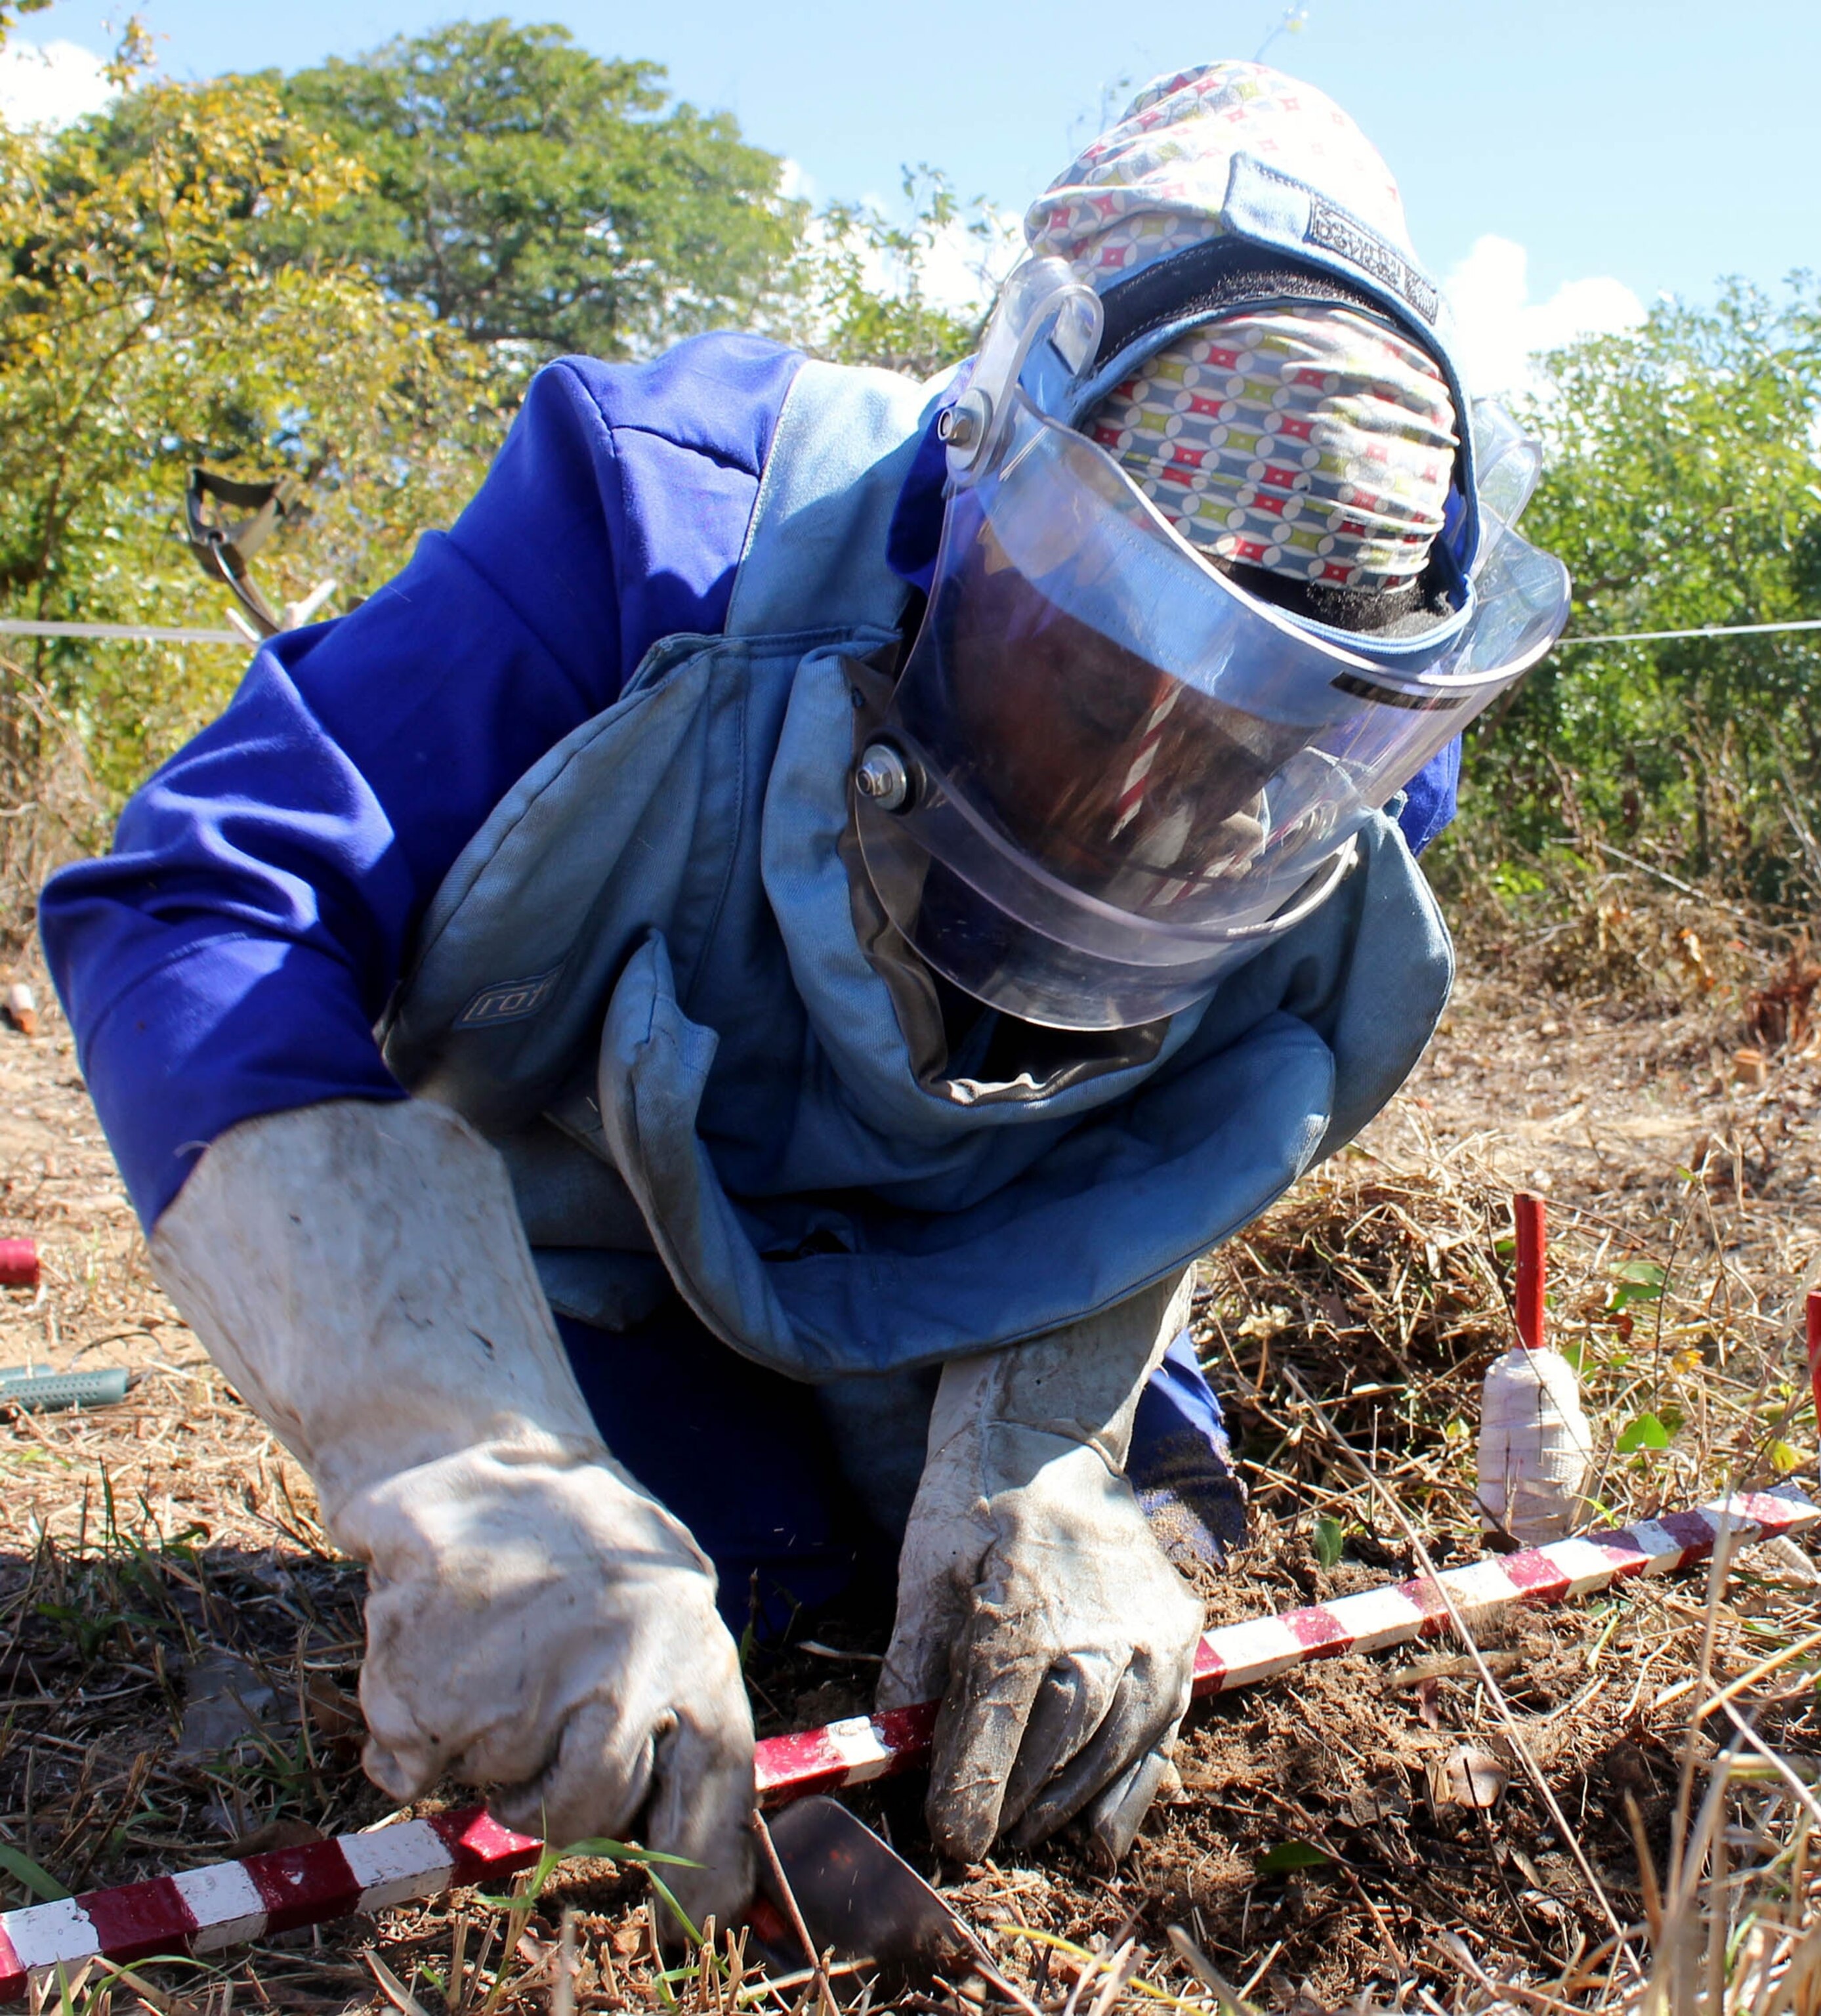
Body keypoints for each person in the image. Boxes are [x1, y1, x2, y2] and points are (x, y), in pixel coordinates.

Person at [39, 61, 1568, 1933]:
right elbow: (201, 898)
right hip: (601, 1234)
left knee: (1088, 1591)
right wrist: (471, 1461)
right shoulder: (665, 524)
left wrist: (1090, 1474)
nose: (1137, 797)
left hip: (1016, 1258)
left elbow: (1208, 1111)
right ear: (993, 487)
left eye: (1236, 755)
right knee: (688, 1615)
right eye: (1100, 688)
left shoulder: (1367, 761)